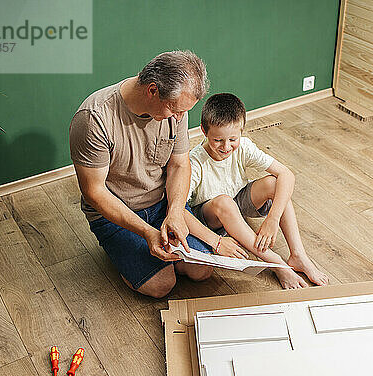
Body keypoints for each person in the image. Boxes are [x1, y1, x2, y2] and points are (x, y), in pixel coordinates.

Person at [69, 51, 243, 298]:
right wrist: (147, 233)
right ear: (152, 90)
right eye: (175, 110)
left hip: (161, 205)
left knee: (202, 271)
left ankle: (159, 255)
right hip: (115, 215)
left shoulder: (176, 108)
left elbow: (179, 165)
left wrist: (175, 213)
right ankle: (122, 255)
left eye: (184, 111)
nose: (181, 118)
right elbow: (94, 192)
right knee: (161, 285)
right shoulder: (95, 118)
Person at [185, 93, 329, 289]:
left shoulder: (243, 146)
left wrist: (273, 219)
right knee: (225, 202)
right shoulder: (195, 162)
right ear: (204, 130)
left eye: (233, 139)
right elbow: (180, 211)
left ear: (241, 131)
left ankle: (298, 255)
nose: (226, 147)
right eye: (218, 140)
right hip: (210, 214)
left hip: (236, 200)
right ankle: (276, 263)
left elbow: (287, 175)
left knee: (275, 183)